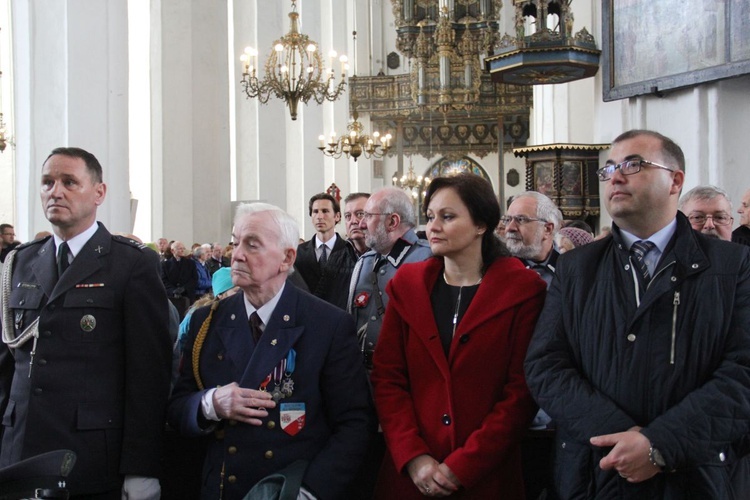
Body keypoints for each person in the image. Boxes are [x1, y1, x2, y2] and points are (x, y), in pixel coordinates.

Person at [525, 130, 750, 499]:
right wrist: (622, 441)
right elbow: (545, 366)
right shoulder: (578, 268)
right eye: (610, 167)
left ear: (675, 179)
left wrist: (660, 445)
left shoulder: (731, 266)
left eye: (633, 164)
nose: (615, 176)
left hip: (696, 475)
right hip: (595, 475)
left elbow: (743, 373)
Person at [168, 202, 373, 499]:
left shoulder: (326, 324)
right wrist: (212, 403)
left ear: (287, 258)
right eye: (235, 242)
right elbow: (177, 408)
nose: (236, 255)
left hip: (289, 486)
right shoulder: (207, 320)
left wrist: (309, 491)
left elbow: (353, 423)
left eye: (252, 245)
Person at [0, 147, 172, 498]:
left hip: (89, 452)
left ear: (99, 193)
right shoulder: (20, 262)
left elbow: (148, 376)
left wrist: (141, 468)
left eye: (69, 182)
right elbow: (6, 365)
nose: (55, 191)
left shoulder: (131, 264)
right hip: (19, 447)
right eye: (47, 182)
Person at [371, 174, 546, 499]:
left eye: (447, 217)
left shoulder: (522, 290)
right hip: (412, 475)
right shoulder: (407, 285)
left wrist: (463, 466)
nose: (432, 227)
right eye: (430, 216)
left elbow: (520, 392)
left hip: (486, 474)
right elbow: (388, 378)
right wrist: (414, 457)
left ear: (481, 224)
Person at [348, 187, 432, 366]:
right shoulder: (365, 263)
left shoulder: (428, 260)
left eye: (368, 216)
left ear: (392, 221)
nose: (361, 224)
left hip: (407, 375)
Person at [294, 193, 352, 309]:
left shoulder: (350, 251)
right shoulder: (298, 252)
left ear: (337, 216)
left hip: (339, 315)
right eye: (315, 212)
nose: (319, 216)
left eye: (325, 211)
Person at [503, 191, 563, 287]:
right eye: (507, 220)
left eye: (520, 219)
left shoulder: (570, 268)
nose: (510, 228)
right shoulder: (498, 268)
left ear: (547, 229)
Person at [343, 192, 370, 257]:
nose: (353, 221)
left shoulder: (386, 252)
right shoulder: (337, 255)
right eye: (348, 216)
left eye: (360, 214)